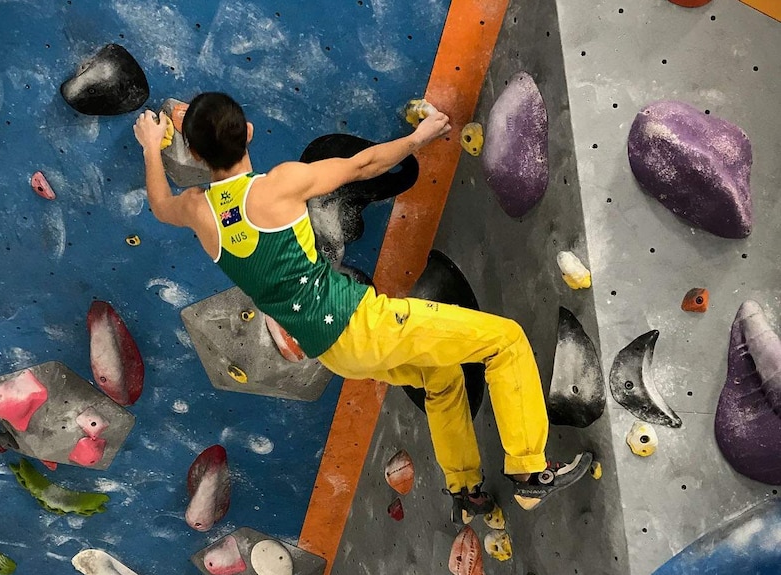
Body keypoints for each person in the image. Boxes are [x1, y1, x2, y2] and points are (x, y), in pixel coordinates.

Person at [133, 92, 592, 521]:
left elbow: (158, 204)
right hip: (362, 324)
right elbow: (363, 164)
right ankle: (531, 472)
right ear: (249, 131)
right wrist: (419, 137)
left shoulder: (198, 210)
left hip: (335, 353)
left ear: (193, 154)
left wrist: (152, 146)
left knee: (441, 375)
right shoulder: (279, 185)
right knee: (505, 341)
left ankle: (465, 490)